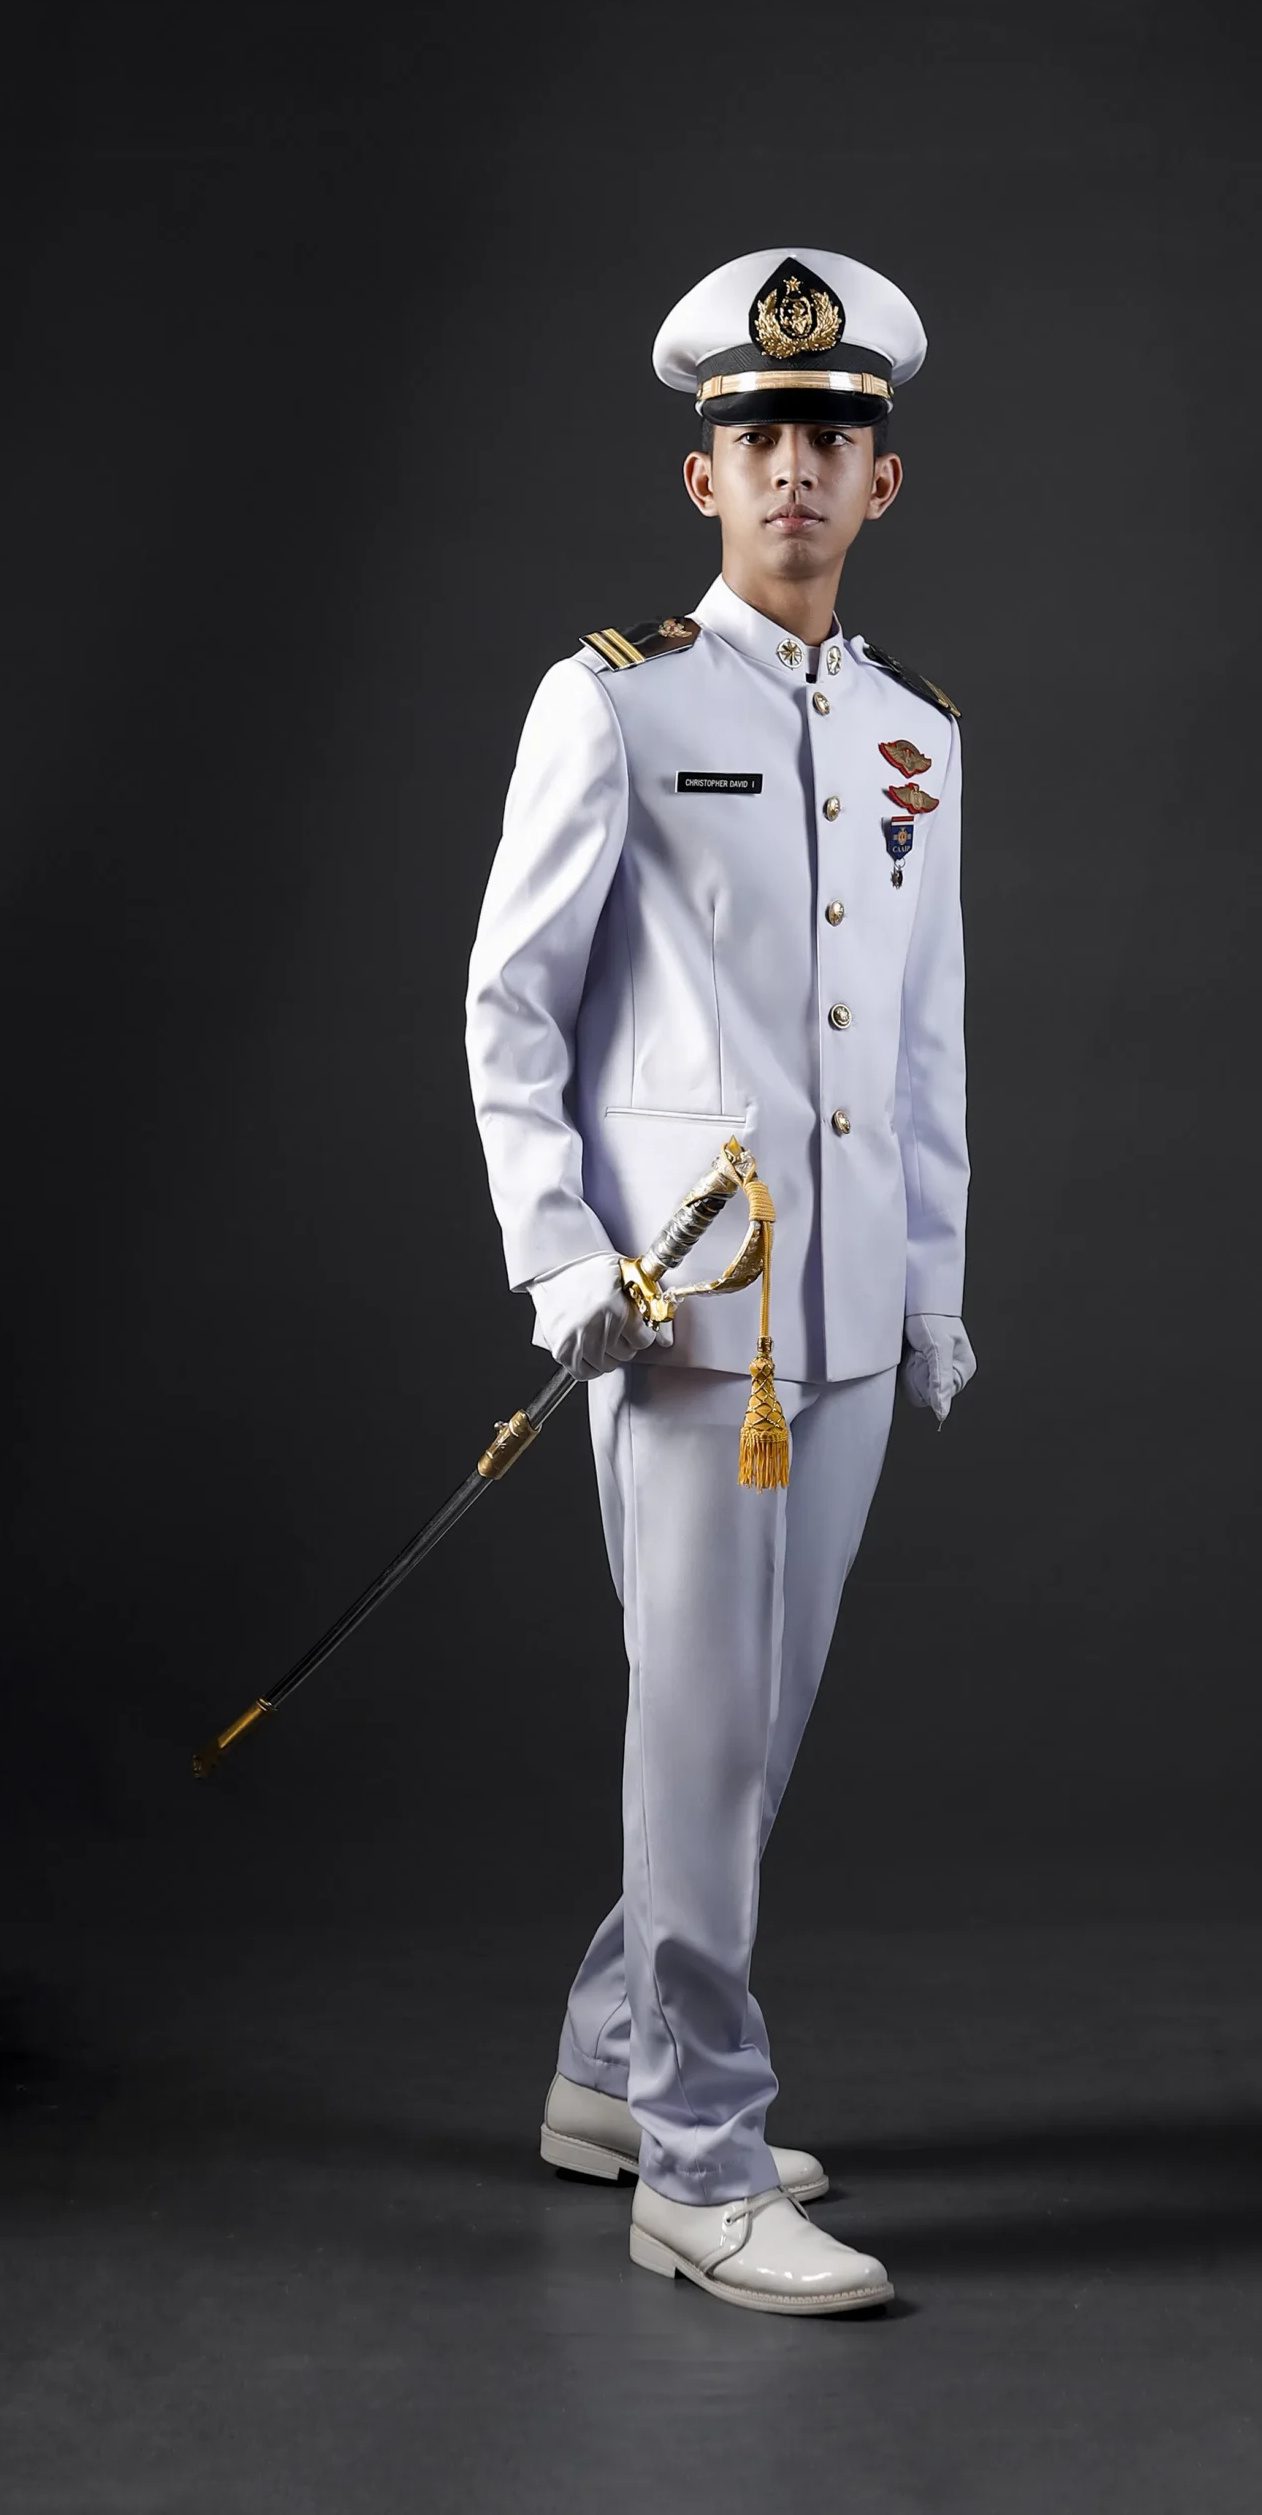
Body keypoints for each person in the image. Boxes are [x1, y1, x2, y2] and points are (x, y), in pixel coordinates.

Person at [464, 247, 973, 2315]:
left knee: (753, 1733)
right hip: (683, 1315)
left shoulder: (916, 733)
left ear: (882, 481)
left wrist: (932, 1281)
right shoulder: (613, 700)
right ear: (702, 477)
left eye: (830, 439)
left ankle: (610, 2062)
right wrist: (555, 1252)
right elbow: (511, 1004)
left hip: (842, 1310)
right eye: (758, 437)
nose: (792, 470)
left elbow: (921, 1038)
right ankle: (695, 2155)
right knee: (694, 1734)